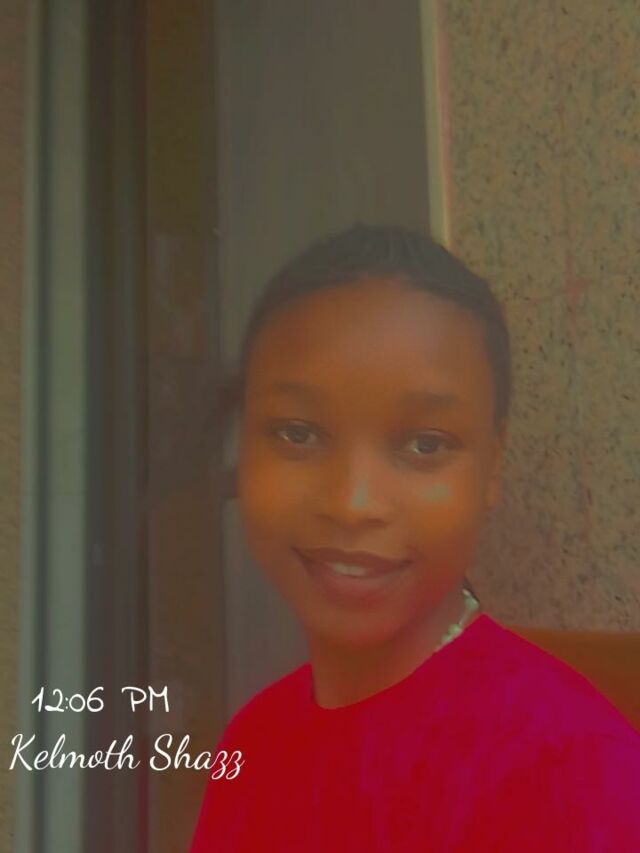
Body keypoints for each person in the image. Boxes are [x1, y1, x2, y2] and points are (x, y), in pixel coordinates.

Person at [190, 224, 640, 851]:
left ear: (492, 470)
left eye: (425, 444)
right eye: (297, 433)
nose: (353, 503)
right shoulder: (252, 741)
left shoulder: (576, 776)